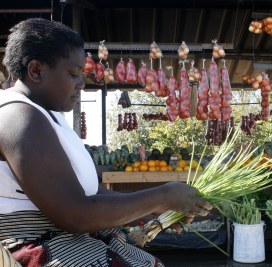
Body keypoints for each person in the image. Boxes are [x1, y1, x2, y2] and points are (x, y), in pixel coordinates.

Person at [0, 18, 212, 266]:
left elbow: (90, 193)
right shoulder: (19, 117)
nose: (81, 83)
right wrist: (162, 196)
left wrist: (150, 208)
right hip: (38, 243)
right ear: (36, 71)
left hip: (67, 237)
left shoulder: (47, 114)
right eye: (73, 74)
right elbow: (74, 214)